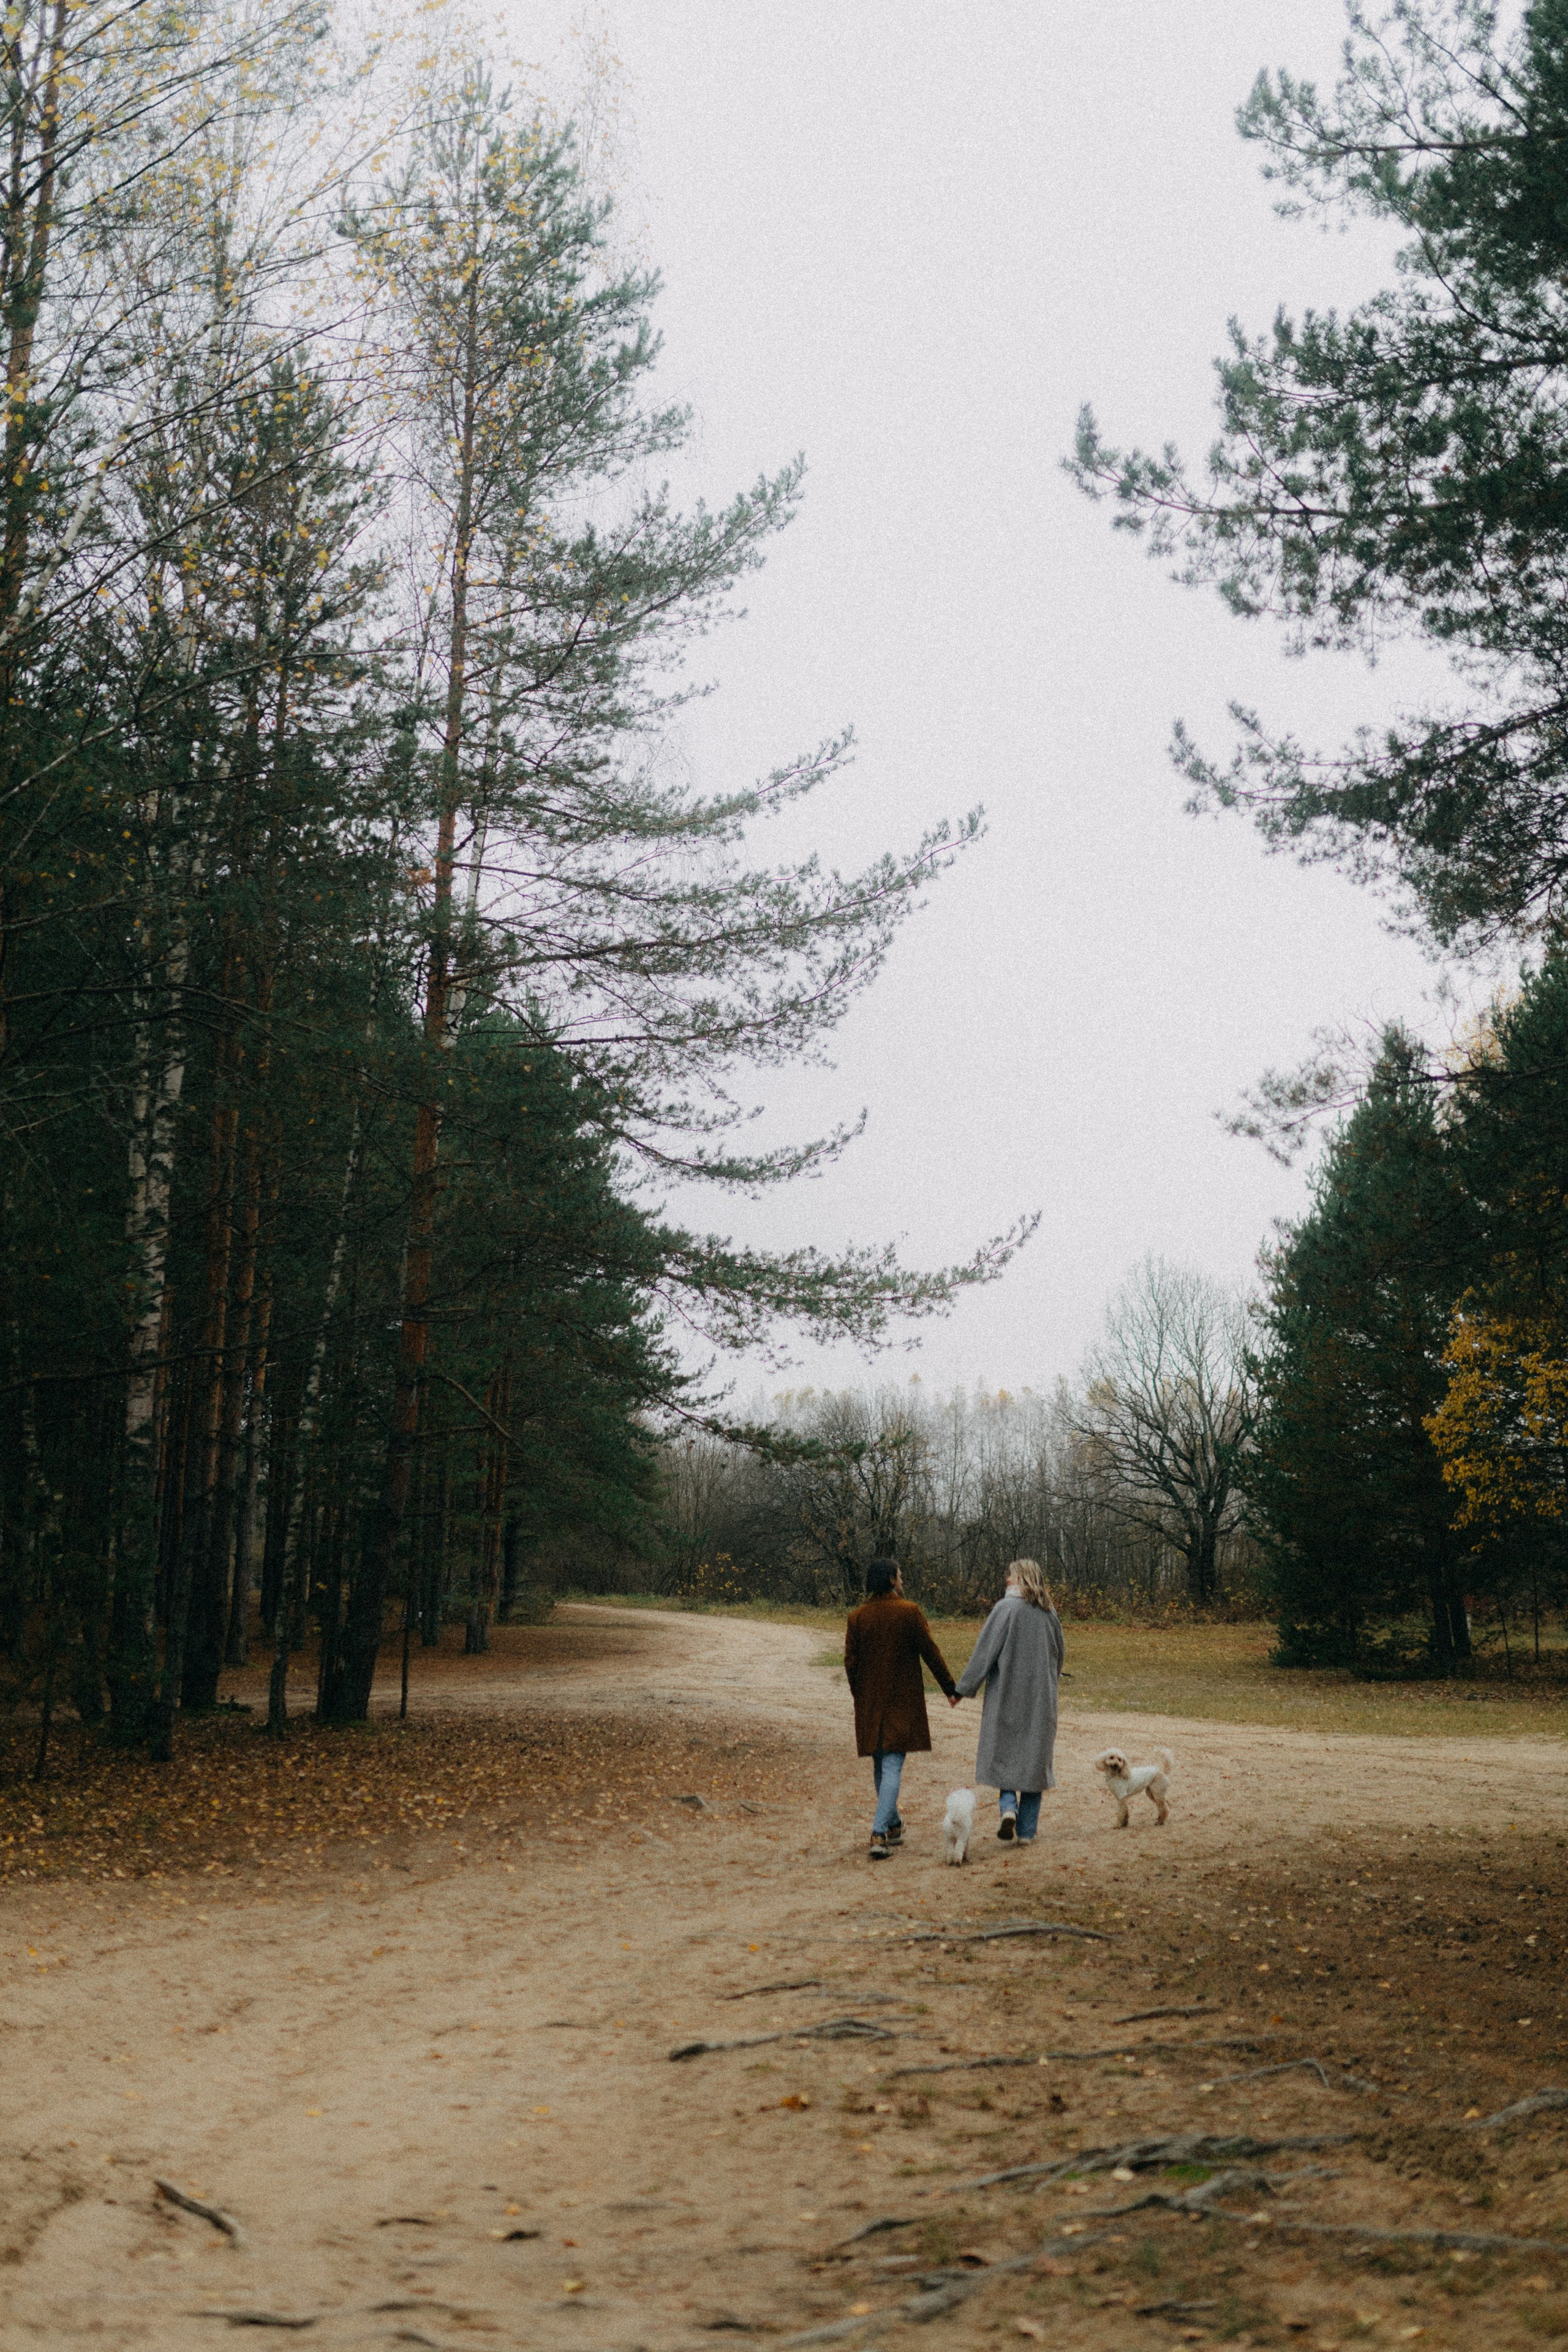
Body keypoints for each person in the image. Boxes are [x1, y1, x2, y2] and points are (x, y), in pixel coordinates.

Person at [843, 1558, 958, 1860]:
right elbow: (930, 1652)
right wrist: (949, 1688)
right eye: (900, 1576)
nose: (903, 1581)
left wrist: (861, 1697)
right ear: (892, 1580)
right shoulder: (909, 1613)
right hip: (901, 1699)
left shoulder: (857, 1618)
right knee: (891, 1765)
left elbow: (851, 1665)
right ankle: (879, 1832)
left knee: (881, 1765)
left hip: (870, 1703)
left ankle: (893, 1826)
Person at [951, 1558, 1064, 1842]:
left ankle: (1008, 1808)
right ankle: (1026, 1832)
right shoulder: (1049, 1613)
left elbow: (985, 1652)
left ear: (1022, 1578)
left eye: (1010, 1575)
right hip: (1041, 1699)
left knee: (1004, 1756)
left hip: (1007, 1696)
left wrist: (962, 1689)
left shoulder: (1005, 1609)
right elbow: (1059, 1655)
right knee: (1034, 1762)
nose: (1007, 1579)